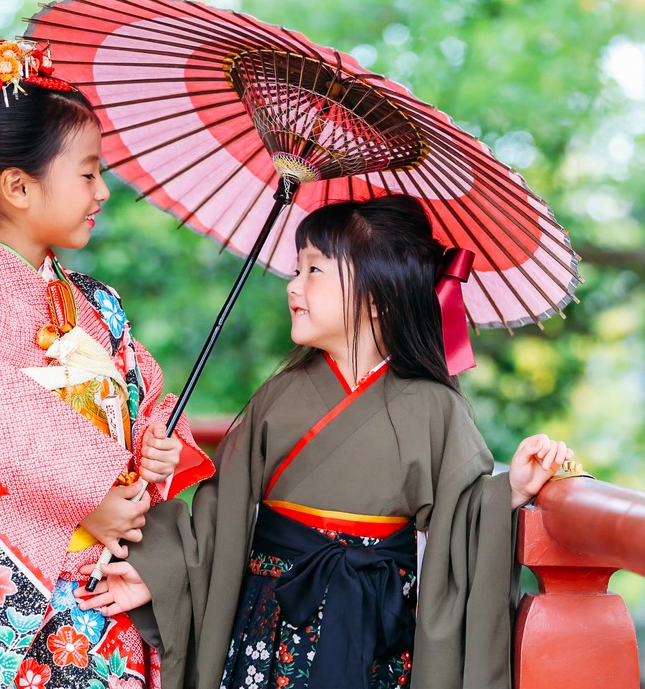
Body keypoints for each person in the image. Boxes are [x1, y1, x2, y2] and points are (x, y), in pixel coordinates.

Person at [79, 194, 573, 689]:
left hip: (374, 628)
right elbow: (217, 517)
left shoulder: (434, 406)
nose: (294, 285)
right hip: (269, 626)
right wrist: (157, 570)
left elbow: (460, 517)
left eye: (314, 270)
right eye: (296, 269)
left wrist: (509, 491)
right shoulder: (278, 396)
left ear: (379, 296)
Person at [0, 41, 213, 689]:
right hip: (22, 597)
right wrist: (91, 498)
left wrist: (155, 445)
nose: (102, 191)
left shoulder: (99, 304)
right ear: (18, 186)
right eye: (88, 173)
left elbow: (146, 400)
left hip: (104, 599)